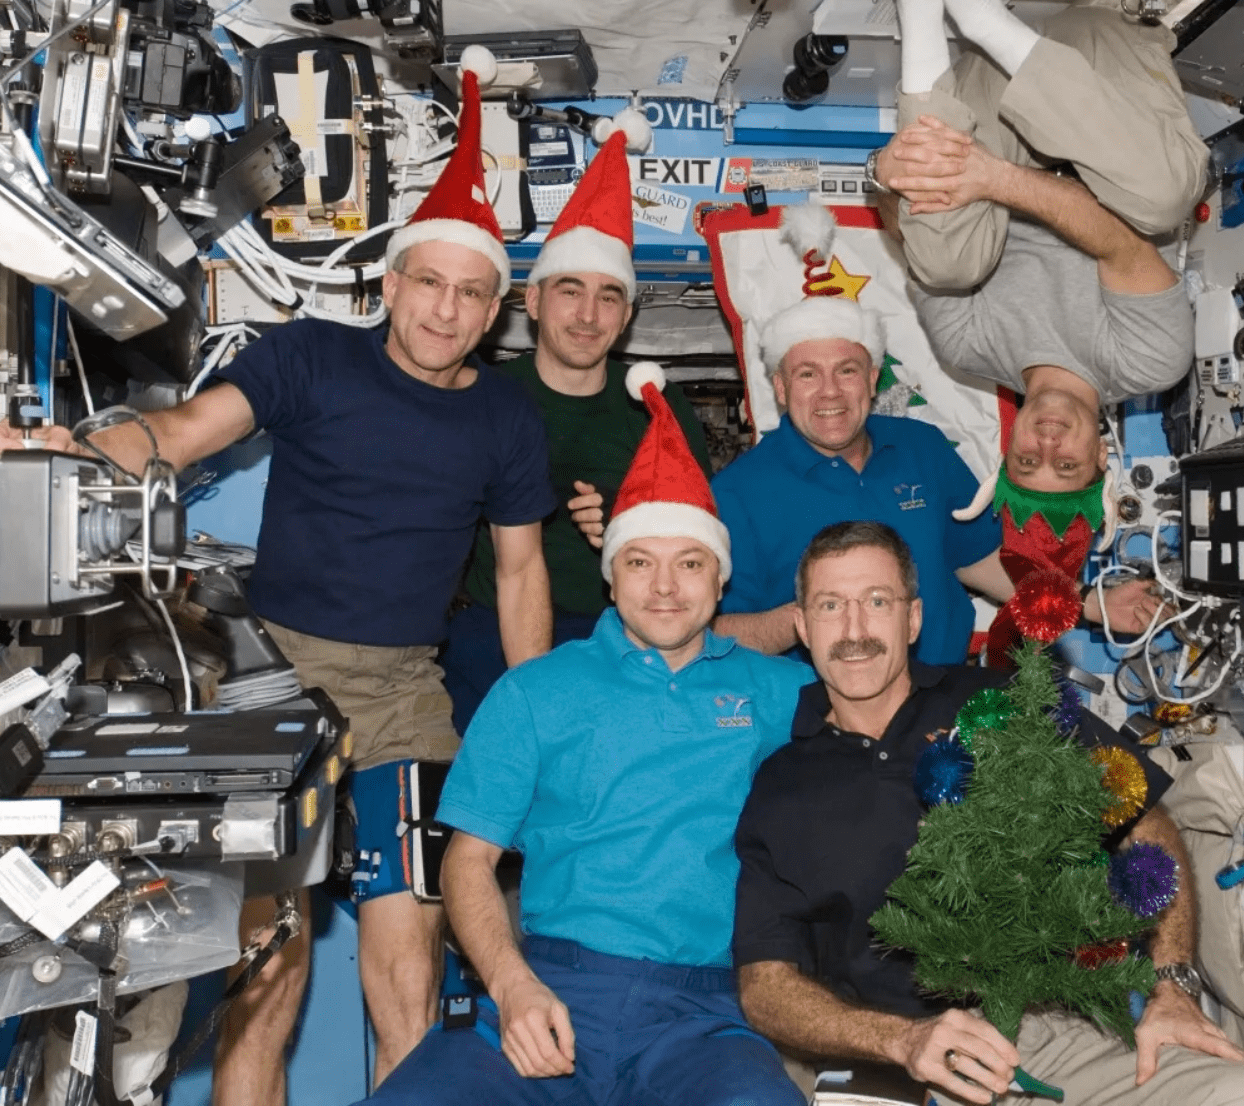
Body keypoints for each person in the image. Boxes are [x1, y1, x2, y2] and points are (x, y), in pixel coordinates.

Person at [0, 48, 555, 1106]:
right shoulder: (307, 358)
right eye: (429, 282)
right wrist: (68, 454)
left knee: (408, 972)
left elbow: (521, 575)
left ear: (494, 310)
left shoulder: (504, 415)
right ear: (393, 282)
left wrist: (540, 722)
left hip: (403, 698)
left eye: (472, 294)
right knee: (265, 970)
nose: (445, 310)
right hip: (270, 682)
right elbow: (185, 433)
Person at [732, 521, 1244, 1106]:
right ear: (803, 626)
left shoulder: (1002, 701)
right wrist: (901, 1040)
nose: (855, 630)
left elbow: (1144, 822)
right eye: (831, 605)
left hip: (1053, 1034)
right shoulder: (782, 785)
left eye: (877, 601)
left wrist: (1171, 984)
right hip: (891, 1058)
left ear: (912, 619)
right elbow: (764, 986)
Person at [364, 363, 808, 1106]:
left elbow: (887, 713)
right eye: (640, 561)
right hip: (549, 988)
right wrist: (511, 987)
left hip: (701, 1015)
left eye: (690, 563)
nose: (665, 587)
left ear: (720, 578)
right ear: (611, 574)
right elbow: (466, 864)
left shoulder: (781, 692)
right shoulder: (536, 690)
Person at [857, 0, 1202, 501]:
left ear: (1008, 443)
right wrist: (996, 181)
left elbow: (907, 224)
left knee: (942, 263)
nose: (1047, 447)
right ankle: (979, 14)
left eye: (1026, 461)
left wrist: (884, 176)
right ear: (1101, 453)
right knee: (1162, 200)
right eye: (1066, 465)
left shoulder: (967, 352)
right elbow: (1123, 246)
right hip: (1099, 68)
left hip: (991, 102)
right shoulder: (1149, 365)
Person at [445, 109, 712, 732]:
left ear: (626, 317)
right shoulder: (479, 396)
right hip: (486, 638)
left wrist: (637, 517)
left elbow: (704, 541)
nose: (588, 314)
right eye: (570, 289)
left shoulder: (657, 407)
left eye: (609, 296)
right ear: (533, 301)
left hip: (624, 643)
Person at [705, 287, 1011, 665]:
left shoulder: (922, 447)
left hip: (942, 699)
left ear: (872, 379)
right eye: (808, 374)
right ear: (781, 389)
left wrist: (1086, 602)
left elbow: (978, 557)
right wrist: (817, 615)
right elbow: (714, 633)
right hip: (813, 712)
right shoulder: (736, 493)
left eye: (846, 370)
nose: (830, 392)